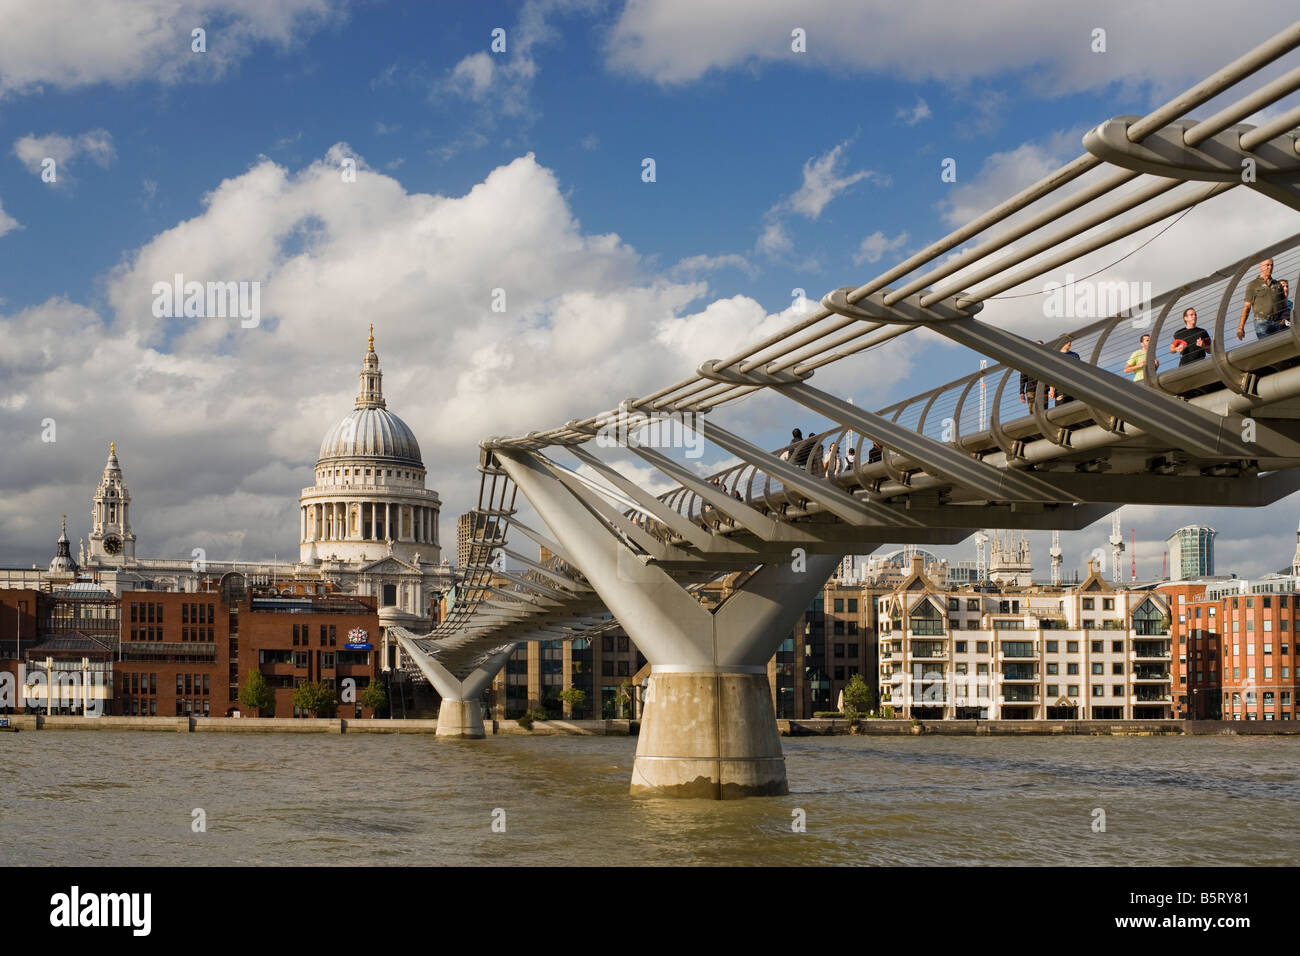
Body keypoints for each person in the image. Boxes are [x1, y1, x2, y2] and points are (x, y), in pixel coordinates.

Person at [1237, 258, 1287, 340]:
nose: (1270, 267)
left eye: (1271, 265)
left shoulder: (1277, 284)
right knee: (1267, 349)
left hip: (1279, 322)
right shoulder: (1253, 285)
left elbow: (1284, 304)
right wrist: (1240, 328)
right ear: (1260, 266)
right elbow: (1247, 307)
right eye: (1267, 265)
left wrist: (1285, 317)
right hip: (1262, 323)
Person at [1048, 337, 1081, 407]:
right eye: (1067, 341)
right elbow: (1052, 374)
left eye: (1070, 341)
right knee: (1061, 410)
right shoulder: (1055, 356)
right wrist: (1051, 390)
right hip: (1060, 388)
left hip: (1074, 387)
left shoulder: (1075, 355)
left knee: (1076, 408)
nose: (1069, 343)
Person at [1019, 339, 1044, 406]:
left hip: (1043, 389)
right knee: (1032, 412)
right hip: (1031, 389)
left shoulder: (1045, 360)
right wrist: (1021, 392)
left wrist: (1051, 389)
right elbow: (1023, 377)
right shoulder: (1028, 360)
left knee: (1043, 410)